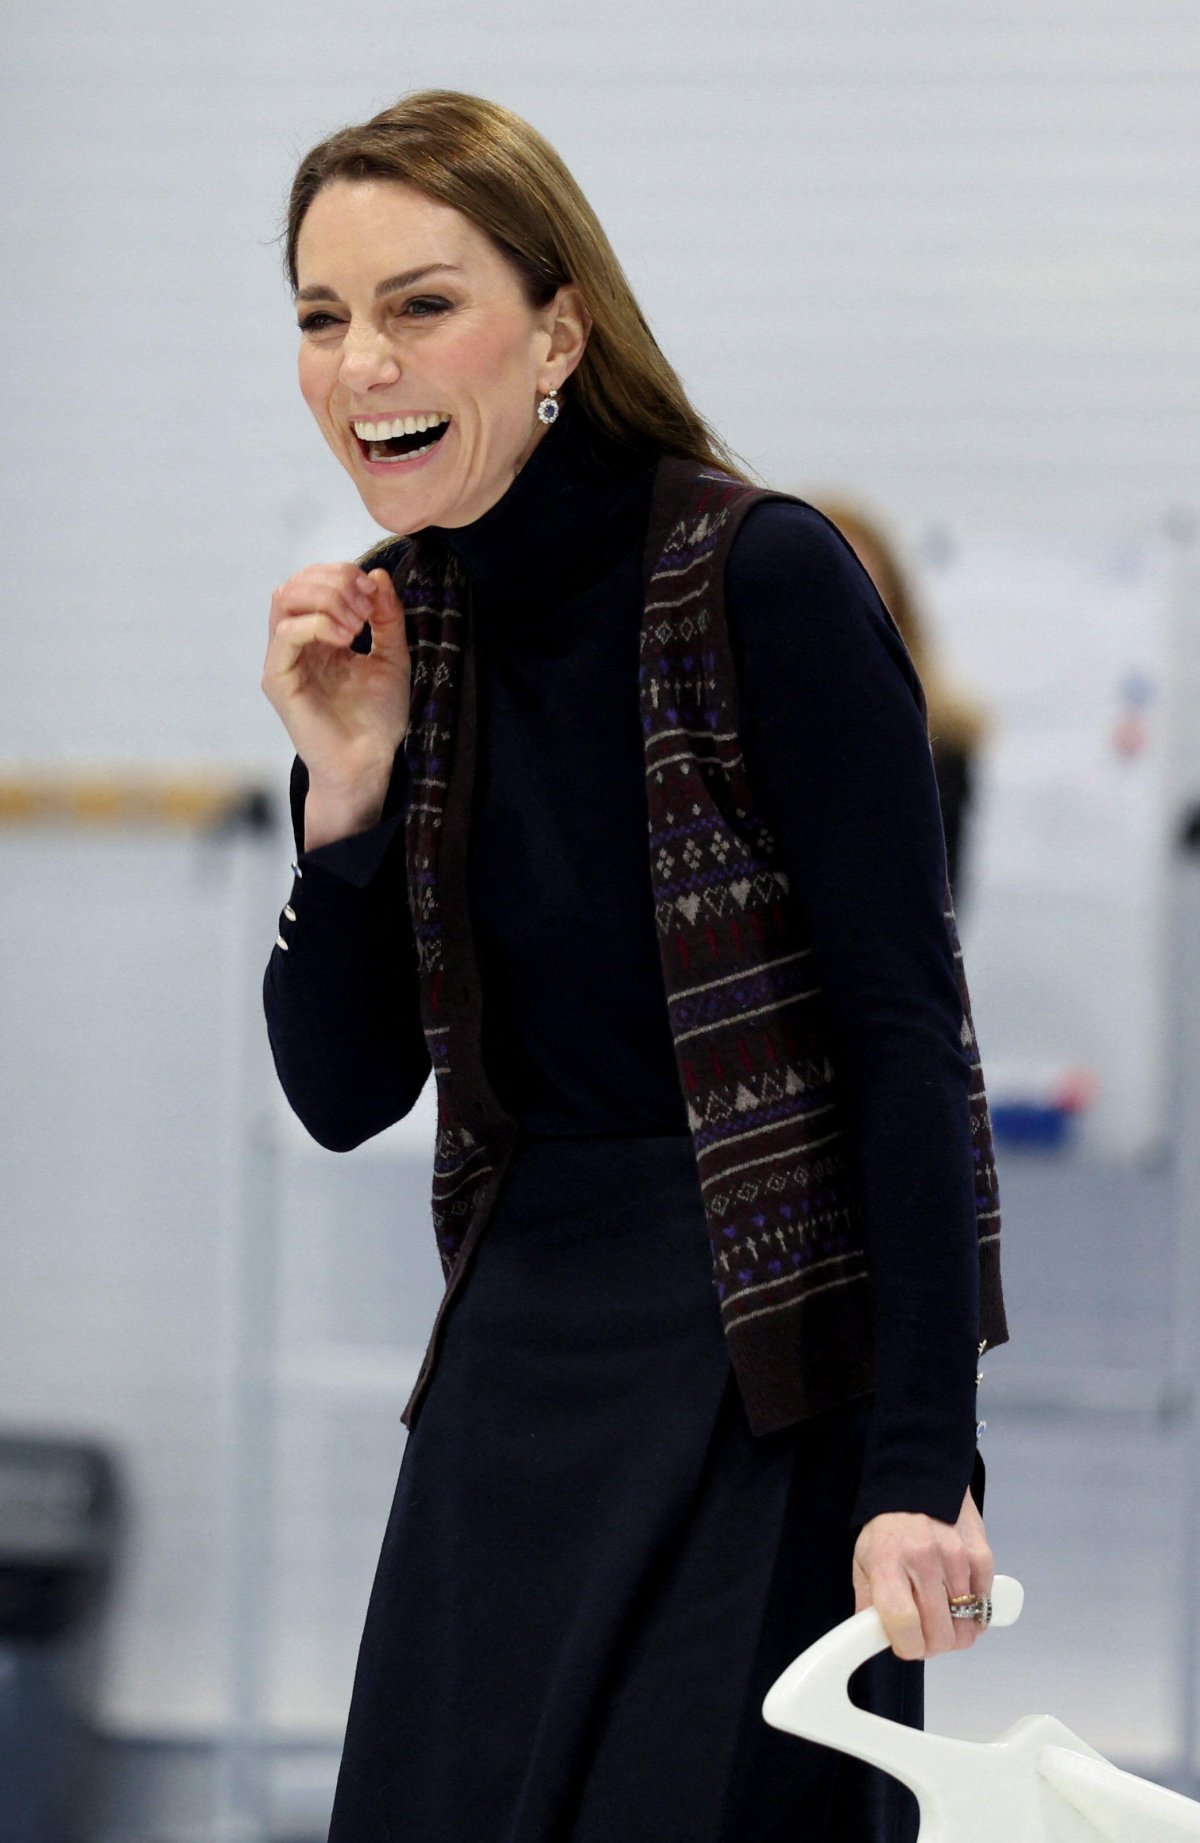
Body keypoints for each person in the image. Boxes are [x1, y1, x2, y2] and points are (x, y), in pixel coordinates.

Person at [260, 89, 1009, 1843]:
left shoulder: (765, 576)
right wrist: (347, 793)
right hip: (517, 1350)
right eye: (318, 316)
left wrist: (919, 1468)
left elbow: (910, 1040)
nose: (362, 359)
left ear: (559, 330)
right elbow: (344, 1087)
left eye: (420, 302)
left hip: (764, 1369)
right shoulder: (393, 627)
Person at [801, 495, 996, 910]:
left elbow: (938, 901)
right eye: (816, 594)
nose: (838, 615)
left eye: (861, 590)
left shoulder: (943, 738)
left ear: (895, 606)